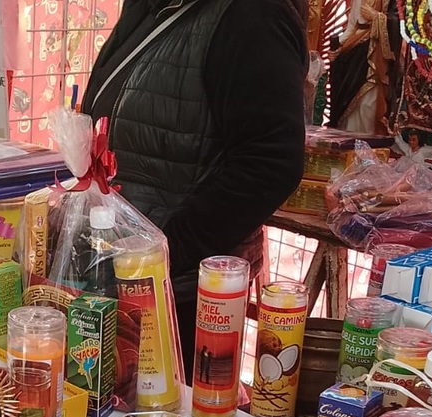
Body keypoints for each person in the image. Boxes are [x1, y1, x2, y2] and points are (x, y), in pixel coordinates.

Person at [80, 0, 308, 380]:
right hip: (122, 273)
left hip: (185, 291)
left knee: (171, 407)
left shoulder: (251, 16)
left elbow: (271, 163)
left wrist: (167, 250)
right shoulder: (154, 7)